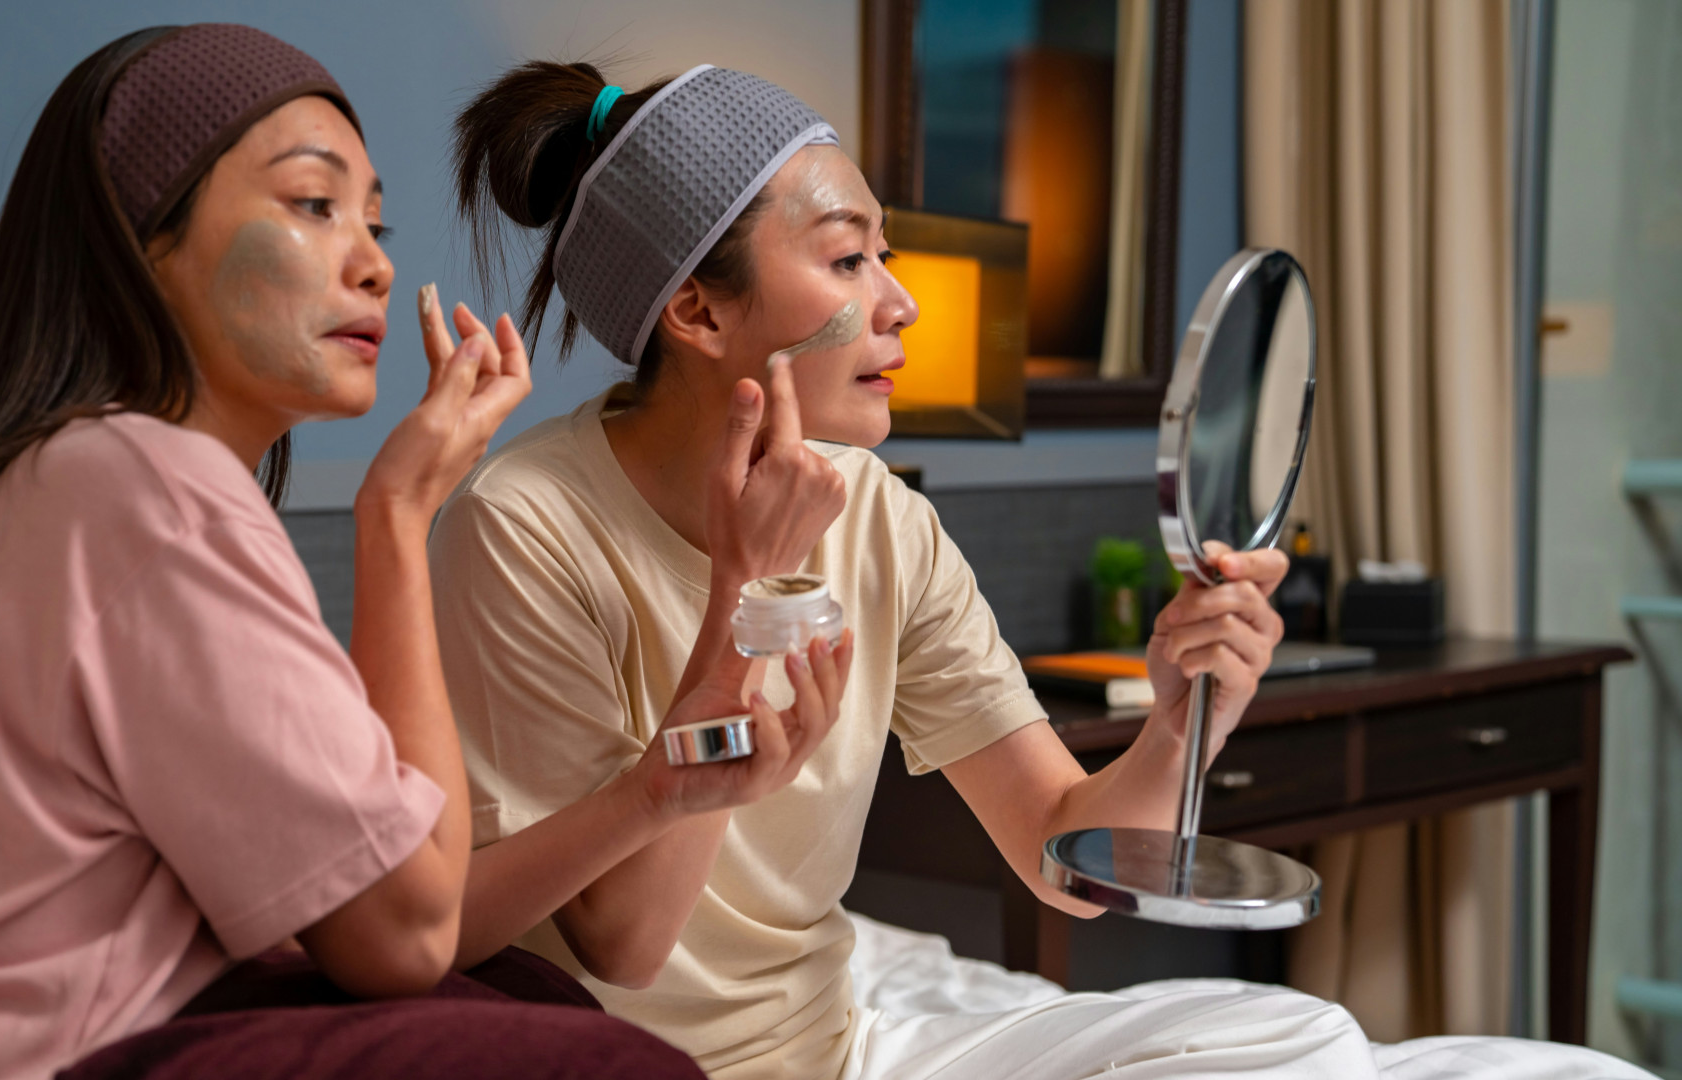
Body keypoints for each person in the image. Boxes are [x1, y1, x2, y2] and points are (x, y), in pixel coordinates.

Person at [429, 60, 1656, 1080]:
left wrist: (1180, 720)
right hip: (645, 1064)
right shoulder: (525, 526)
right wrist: (747, 602)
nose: (901, 302)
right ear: (698, 312)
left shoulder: (883, 520)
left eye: (884, 256)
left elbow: (1065, 858)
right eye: (848, 261)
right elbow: (625, 947)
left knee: (1301, 1037)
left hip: (846, 1050)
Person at [0, 26, 704, 1080]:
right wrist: (398, 513)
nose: (376, 263)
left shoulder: (88, 475)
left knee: (531, 992)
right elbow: (408, 926)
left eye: (377, 222)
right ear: (141, 243)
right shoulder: (147, 489)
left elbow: (377, 888)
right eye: (313, 204)